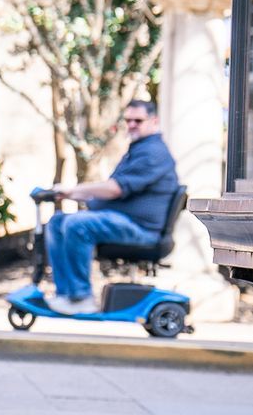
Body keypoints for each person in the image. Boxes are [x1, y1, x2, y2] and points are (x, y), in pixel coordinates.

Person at [42, 98, 180, 315]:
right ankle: (66, 295)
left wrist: (72, 191)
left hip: (142, 230)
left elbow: (115, 189)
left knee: (78, 224)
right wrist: (69, 193)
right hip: (124, 221)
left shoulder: (153, 152)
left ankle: (80, 297)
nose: (132, 124)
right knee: (57, 221)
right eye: (128, 120)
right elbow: (110, 191)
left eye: (138, 120)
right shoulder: (138, 149)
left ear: (154, 121)